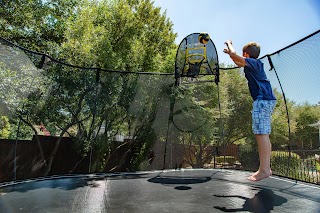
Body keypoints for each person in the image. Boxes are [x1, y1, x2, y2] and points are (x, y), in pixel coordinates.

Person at [223, 41, 277, 181]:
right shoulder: (252, 64)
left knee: (261, 133)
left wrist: (229, 44)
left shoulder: (255, 63)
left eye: (243, 55)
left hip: (262, 100)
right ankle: (266, 168)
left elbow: (237, 57)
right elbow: (238, 62)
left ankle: (264, 169)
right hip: (265, 100)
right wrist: (231, 55)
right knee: (263, 133)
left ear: (246, 54)